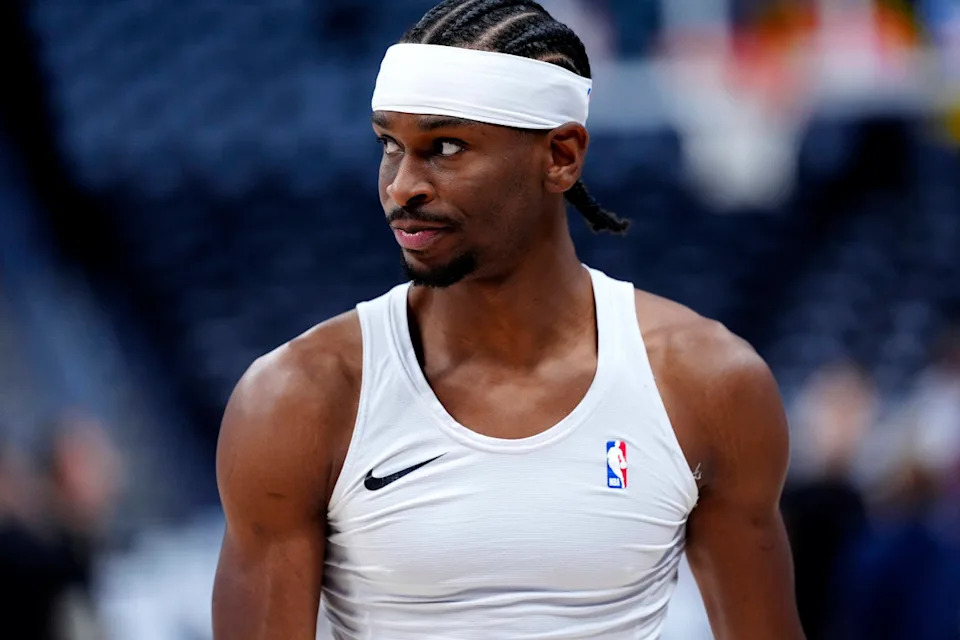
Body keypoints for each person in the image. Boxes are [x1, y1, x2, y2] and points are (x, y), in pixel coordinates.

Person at [212, 1, 804, 638]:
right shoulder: (296, 399)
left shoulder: (709, 384)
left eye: (445, 147)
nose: (402, 186)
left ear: (560, 157)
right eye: (390, 146)